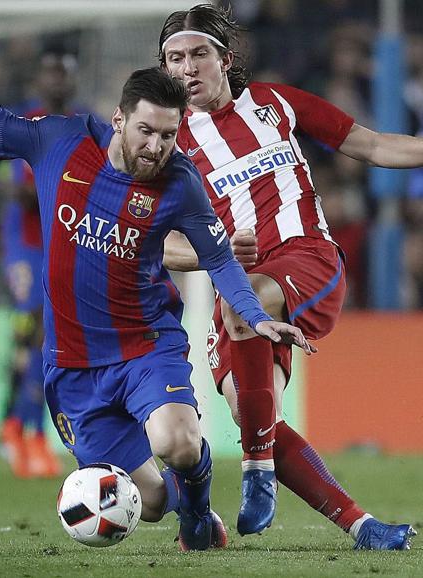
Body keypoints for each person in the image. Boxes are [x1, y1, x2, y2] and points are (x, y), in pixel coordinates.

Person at [0, 0, 313, 551]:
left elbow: (218, 258)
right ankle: (180, 505)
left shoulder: (179, 181)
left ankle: (197, 516)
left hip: (146, 346)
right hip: (74, 364)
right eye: (146, 131)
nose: (156, 148)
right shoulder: (61, 141)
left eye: (169, 135)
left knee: (178, 442)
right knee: (146, 502)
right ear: (120, 120)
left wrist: (253, 314)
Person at [159, 3, 418, 550]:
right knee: (252, 411)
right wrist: (211, 253)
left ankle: (257, 471)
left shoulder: (273, 103)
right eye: (175, 59)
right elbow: (155, 244)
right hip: (236, 284)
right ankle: (363, 527)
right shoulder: (167, 142)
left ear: (225, 59)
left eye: (199, 54)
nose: (187, 68)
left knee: (245, 309)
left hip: (306, 257)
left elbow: (371, 145)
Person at [0, 52, 83, 479]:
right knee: (36, 329)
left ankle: (21, 426)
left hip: (61, 245)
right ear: (39, 78)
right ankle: (28, 433)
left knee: (45, 339)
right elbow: (16, 187)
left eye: (64, 73)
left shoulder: (82, 123)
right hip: (25, 245)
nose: (58, 81)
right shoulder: (23, 123)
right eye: (51, 73)